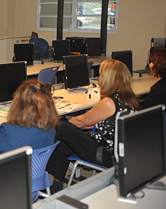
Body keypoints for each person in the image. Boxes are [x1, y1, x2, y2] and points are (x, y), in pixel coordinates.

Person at [47, 59, 139, 192]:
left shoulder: (109, 102)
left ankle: (42, 162)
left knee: (62, 126)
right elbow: (92, 124)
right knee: (64, 144)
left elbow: (81, 122)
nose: (99, 79)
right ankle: (57, 185)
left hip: (105, 154)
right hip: (119, 151)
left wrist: (65, 129)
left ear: (108, 79)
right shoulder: (130, 99)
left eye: (101, 75)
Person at [0, 79, 59, 158]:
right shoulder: (50, 127)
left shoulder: (8, 133)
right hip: (34, 174)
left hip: (6, 174)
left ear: (18, 105)